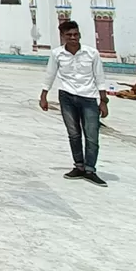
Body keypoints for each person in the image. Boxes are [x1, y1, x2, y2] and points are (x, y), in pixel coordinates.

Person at [40, 19, 109, 186]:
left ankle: (90, 169)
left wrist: (103, 100)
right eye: (69, 35)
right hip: (67, 96)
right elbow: (50, 74)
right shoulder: (57, 54)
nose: (73, 38)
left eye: (76, 34)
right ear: (62, 36)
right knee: (74, 134)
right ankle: (79, 166)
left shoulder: (92, 53)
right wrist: (44, 95)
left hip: (88, 97)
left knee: (92, 135)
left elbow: (99, 77)